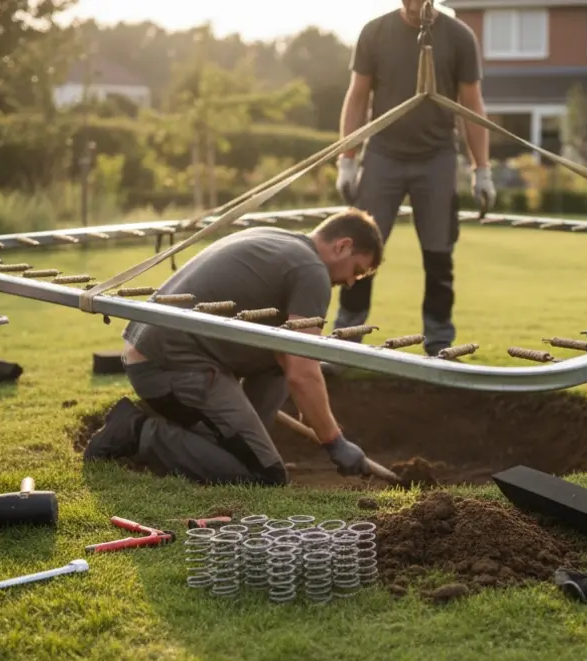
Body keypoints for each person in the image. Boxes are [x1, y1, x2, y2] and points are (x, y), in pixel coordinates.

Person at [83, 209, 385, 487]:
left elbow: (288, 358)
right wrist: (334, 441)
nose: (348, 282)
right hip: (170, 368)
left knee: (277, 366)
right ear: (342, 246)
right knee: (265, 476)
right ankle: (138, 432)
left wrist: (315, 413)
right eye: (355, 271)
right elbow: (302, 373)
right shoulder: (311, 271)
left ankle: (246, 446)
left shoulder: (277, 238)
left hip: (155, 354)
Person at [333, 0, 495, 358]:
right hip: (382, 156)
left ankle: (439, 344)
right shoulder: (374, 32)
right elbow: (357, 95)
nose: (411, 5)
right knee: (360, 249)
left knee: (439, 256)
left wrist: (481, 170)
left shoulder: (458, 37)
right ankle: (346, 338)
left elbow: (472, 104)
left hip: (436, 160)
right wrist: (347, 159)